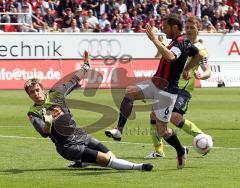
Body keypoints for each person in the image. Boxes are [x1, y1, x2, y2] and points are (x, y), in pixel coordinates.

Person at [25, 51, 153, 171]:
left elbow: (74, 79)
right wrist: (48, 124)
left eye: (37, 90)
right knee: (106, 160)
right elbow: (44, 133)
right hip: (68, 146)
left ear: (42, 88)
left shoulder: (56, 93)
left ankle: (84, 162)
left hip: (80, 135)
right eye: (32, 92)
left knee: (111, 156)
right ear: (29, 95)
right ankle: (140, 167)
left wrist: (86, 66)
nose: (36, 94)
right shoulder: (33, 113)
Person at [105, 14, 201, 169]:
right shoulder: (180, 43)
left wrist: (155, 40)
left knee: (162, 130)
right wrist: (187, 68)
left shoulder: (180, 43)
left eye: (165, 27)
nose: (163, 30)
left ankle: (181, 150)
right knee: (129, 92)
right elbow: (197, 54)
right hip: (155, 83)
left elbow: (171, 57)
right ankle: (118, 130)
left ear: (175, 27)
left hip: (167, 90)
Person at [144, 16, 212, 159]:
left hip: (183, 89)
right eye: (186, 27)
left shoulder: (200, 50)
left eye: (192, 27)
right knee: (153, 115)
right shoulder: (179, 43)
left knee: (175, 117)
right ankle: (158, 151)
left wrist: (202, 74)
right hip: (169, 86)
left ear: (198, 29)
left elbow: (207, 70)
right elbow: (162, 57)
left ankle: (202, 137)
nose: (188, 29)